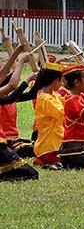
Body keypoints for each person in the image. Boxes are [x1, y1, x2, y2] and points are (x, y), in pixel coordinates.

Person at [0, 49, 38, 181]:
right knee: (31, 173)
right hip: (5, 143)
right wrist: (21, 61)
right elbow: (12, 85)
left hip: (7, 141)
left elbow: (6, 77)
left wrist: (16, 53)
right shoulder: (5, 96)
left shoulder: (6, 98)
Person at [57, 63, 84, 169]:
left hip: (77, 143)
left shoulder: (76, 96)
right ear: (77, 83)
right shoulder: (73, 100)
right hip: (76, 146)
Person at [31, 63, 65, 169]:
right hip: (50, 145)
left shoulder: (55, 95)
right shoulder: (45, 99)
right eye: (61, 81)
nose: (62, 83)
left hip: (58, 139)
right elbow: (62, 113)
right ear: (55, 81)